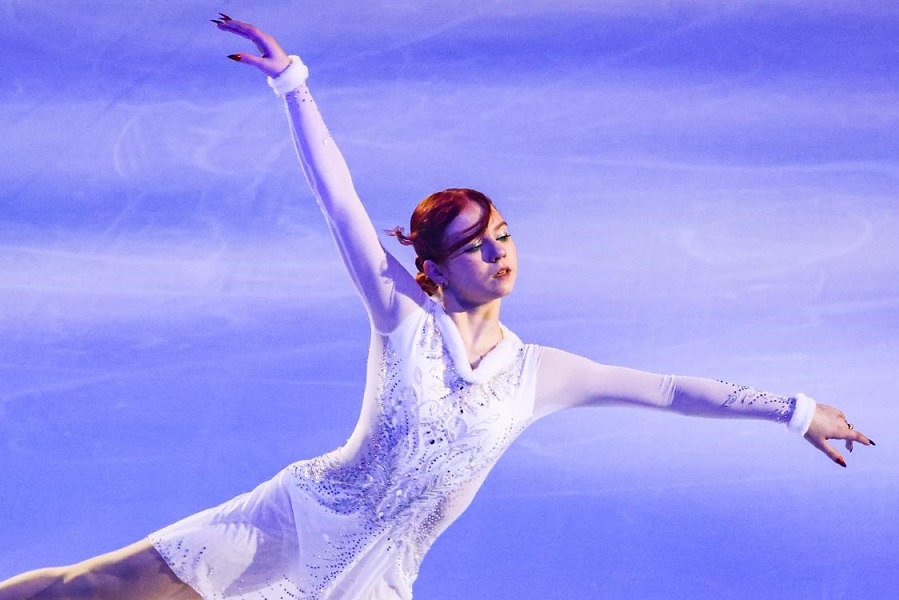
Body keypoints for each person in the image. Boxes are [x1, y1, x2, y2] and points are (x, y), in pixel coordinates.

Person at [0, 15, 875, 600]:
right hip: (297, 517)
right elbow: (341, 203)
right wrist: (292, 84)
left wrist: (793, 410)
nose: (499, 252)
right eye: (475, 245)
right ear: (435, 268)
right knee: (94, 590)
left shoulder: (540, 375)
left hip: (381, 572)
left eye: (502, 234)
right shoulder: (402, 321)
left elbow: (671, 391)